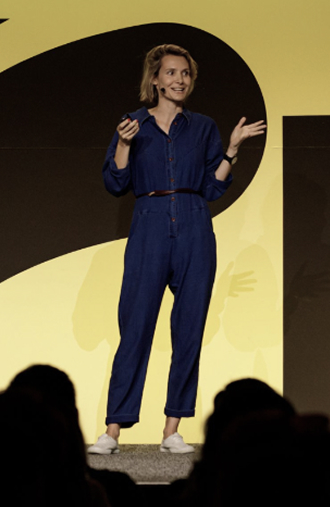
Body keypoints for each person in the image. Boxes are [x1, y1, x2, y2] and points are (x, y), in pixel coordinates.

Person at [88, 44, 265, 456]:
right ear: (155, 79)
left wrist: (232, 149)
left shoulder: (202, 127)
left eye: (185, 73)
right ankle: (113, 430)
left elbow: (212, 187)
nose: (179, 80)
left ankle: (172, 430)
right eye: (171, 72)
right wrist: (124, 145)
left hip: (194, 223)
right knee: (135, 328)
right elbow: (115, 183)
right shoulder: (133, 124)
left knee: (189, 330)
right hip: (149, 222)